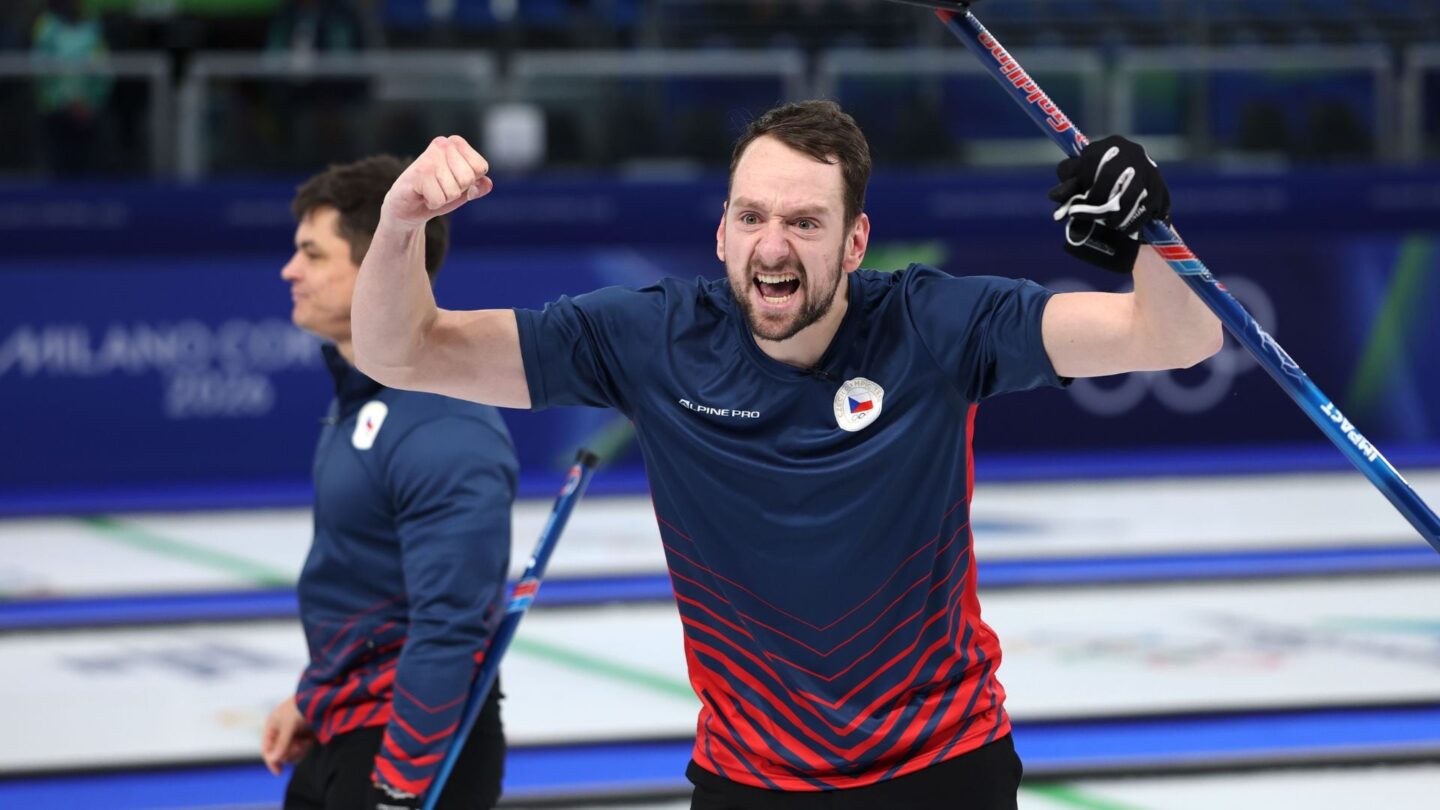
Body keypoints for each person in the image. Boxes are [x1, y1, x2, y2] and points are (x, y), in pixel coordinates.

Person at [350, 101, 1220, 808]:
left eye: (805, 221)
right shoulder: (649, 338)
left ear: (854, 243)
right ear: (720, 233)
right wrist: (398, 223)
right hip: (750, 781)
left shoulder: (937, 324)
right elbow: (400, 352)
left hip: (944, 770)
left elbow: (1177, 336)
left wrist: (1151, 230)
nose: (773, 245)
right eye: (752, 216)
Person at [260, 155, 518, 810]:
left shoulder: (444, 425)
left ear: (382, 259)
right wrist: (312, 695)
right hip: (341, 725)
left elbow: (449, 626)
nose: (291, 271)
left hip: (408, 747)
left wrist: (401, 783)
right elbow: (365, 577)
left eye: (313, 255)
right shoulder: (360, 395)